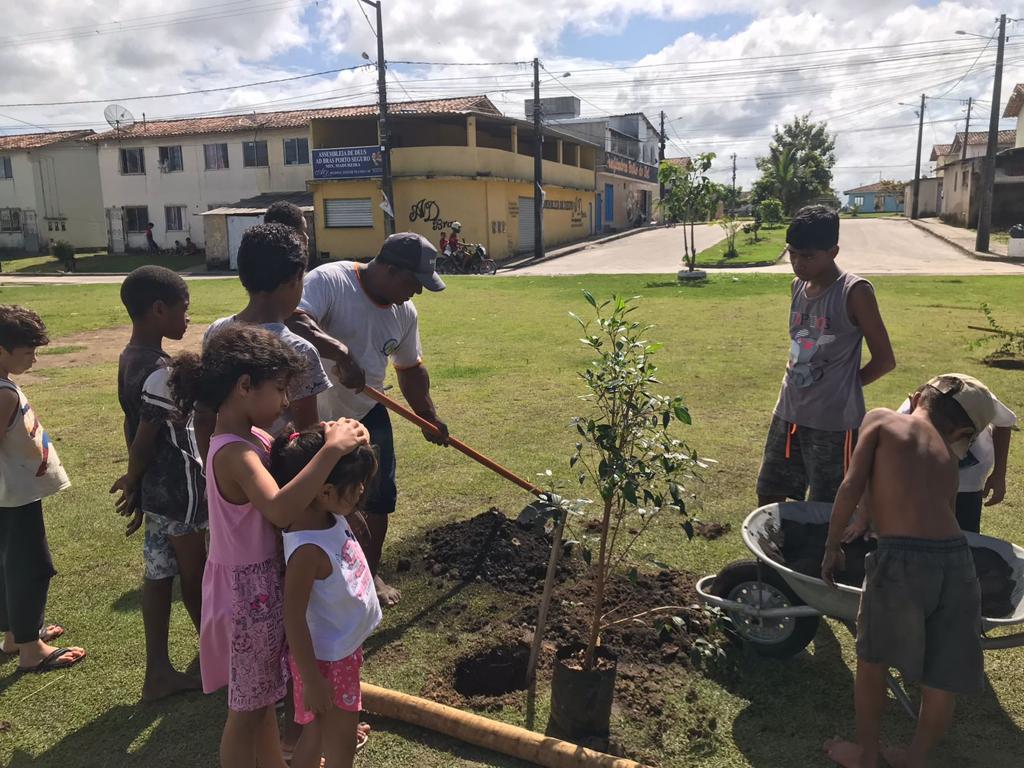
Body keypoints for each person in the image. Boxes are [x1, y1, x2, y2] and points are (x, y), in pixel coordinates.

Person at [168, 324, 369, 768]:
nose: (284, 402)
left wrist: (326, 439)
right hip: (246, 597)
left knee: (262, 699)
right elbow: (279, 509)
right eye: (279, 389)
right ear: (244, 387)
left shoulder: (253, 438)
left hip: (259, 588)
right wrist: (330, 453)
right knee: (246, 711)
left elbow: (292, 468)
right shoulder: (232, 453)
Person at [821, 374, 996, 768]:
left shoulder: (882, 419)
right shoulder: (949, 459)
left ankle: (866, 754)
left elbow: (851, 485)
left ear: (915, 396)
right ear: (963, 432)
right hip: (956, 559)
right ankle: (915, 757)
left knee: (873, 659)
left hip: (902, 560)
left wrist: (833, 546)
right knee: (941, 671)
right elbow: (942, 509)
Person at [286, 232, 448, 607]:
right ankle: (301, 577)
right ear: (389, 269)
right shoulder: (331, 280)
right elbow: (293, 319)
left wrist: (427, 416)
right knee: (310, 494)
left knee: (378, 497)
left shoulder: (404, 312)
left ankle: (368, 574)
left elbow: (409, 368)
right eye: (414, 283)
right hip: (312, 410)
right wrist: (340, 354)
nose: (417, 293)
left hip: (365, 410)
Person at [111, 266, 207, 701]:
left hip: (156, 491)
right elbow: (147, 435)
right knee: (195, 574)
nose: (188, 319)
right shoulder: (160, 371)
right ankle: (220, 654)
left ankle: (158, 672)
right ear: (158, 309)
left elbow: (132, 427)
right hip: (180, 489)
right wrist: (133, 478)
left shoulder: (129, 357)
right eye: (184, 310)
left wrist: (139, 485)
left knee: (158, 574)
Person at [757, 205, 895, 507]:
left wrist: (845, 385)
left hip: (833, 422)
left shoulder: (854, 292)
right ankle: (779, 552)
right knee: (770, 490)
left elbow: (886, 360)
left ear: (833, 251)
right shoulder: (798, 286)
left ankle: (828, 555)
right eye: (792, 253)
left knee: (829, 504)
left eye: (808, 256)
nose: (798, 263)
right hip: (789, 411)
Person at [273, 428, 381, 768]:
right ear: (324, 491)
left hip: (339, 651)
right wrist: (313, 680)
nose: (361, 489)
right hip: (326, 662)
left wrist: (336, 438)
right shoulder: (306, 551)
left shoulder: (326, 514)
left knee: (318, 728)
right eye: (355, 485)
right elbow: (293, 618)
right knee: (338, 735)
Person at [0, 305, 84, 672]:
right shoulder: (3, 393)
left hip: (11, 496)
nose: (34, 359)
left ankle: (16, 635)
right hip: (13, 498)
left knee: (9, 564)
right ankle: (31, 650)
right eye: (28, 352)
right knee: (31, 566)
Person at [204, 223, 330, 435]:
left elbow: (205, 412)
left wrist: (211, 466)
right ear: (296, 278)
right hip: (275, 467)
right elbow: (307, 433)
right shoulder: (300, 350)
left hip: (222, 460)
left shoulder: (216, 331)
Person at [897, 389, 1016, 533]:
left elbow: (1004, 423)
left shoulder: (980, 400)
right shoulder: (902, 420)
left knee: (964, 534)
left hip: (969, 482)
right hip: (921, 482)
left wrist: (999, 473)